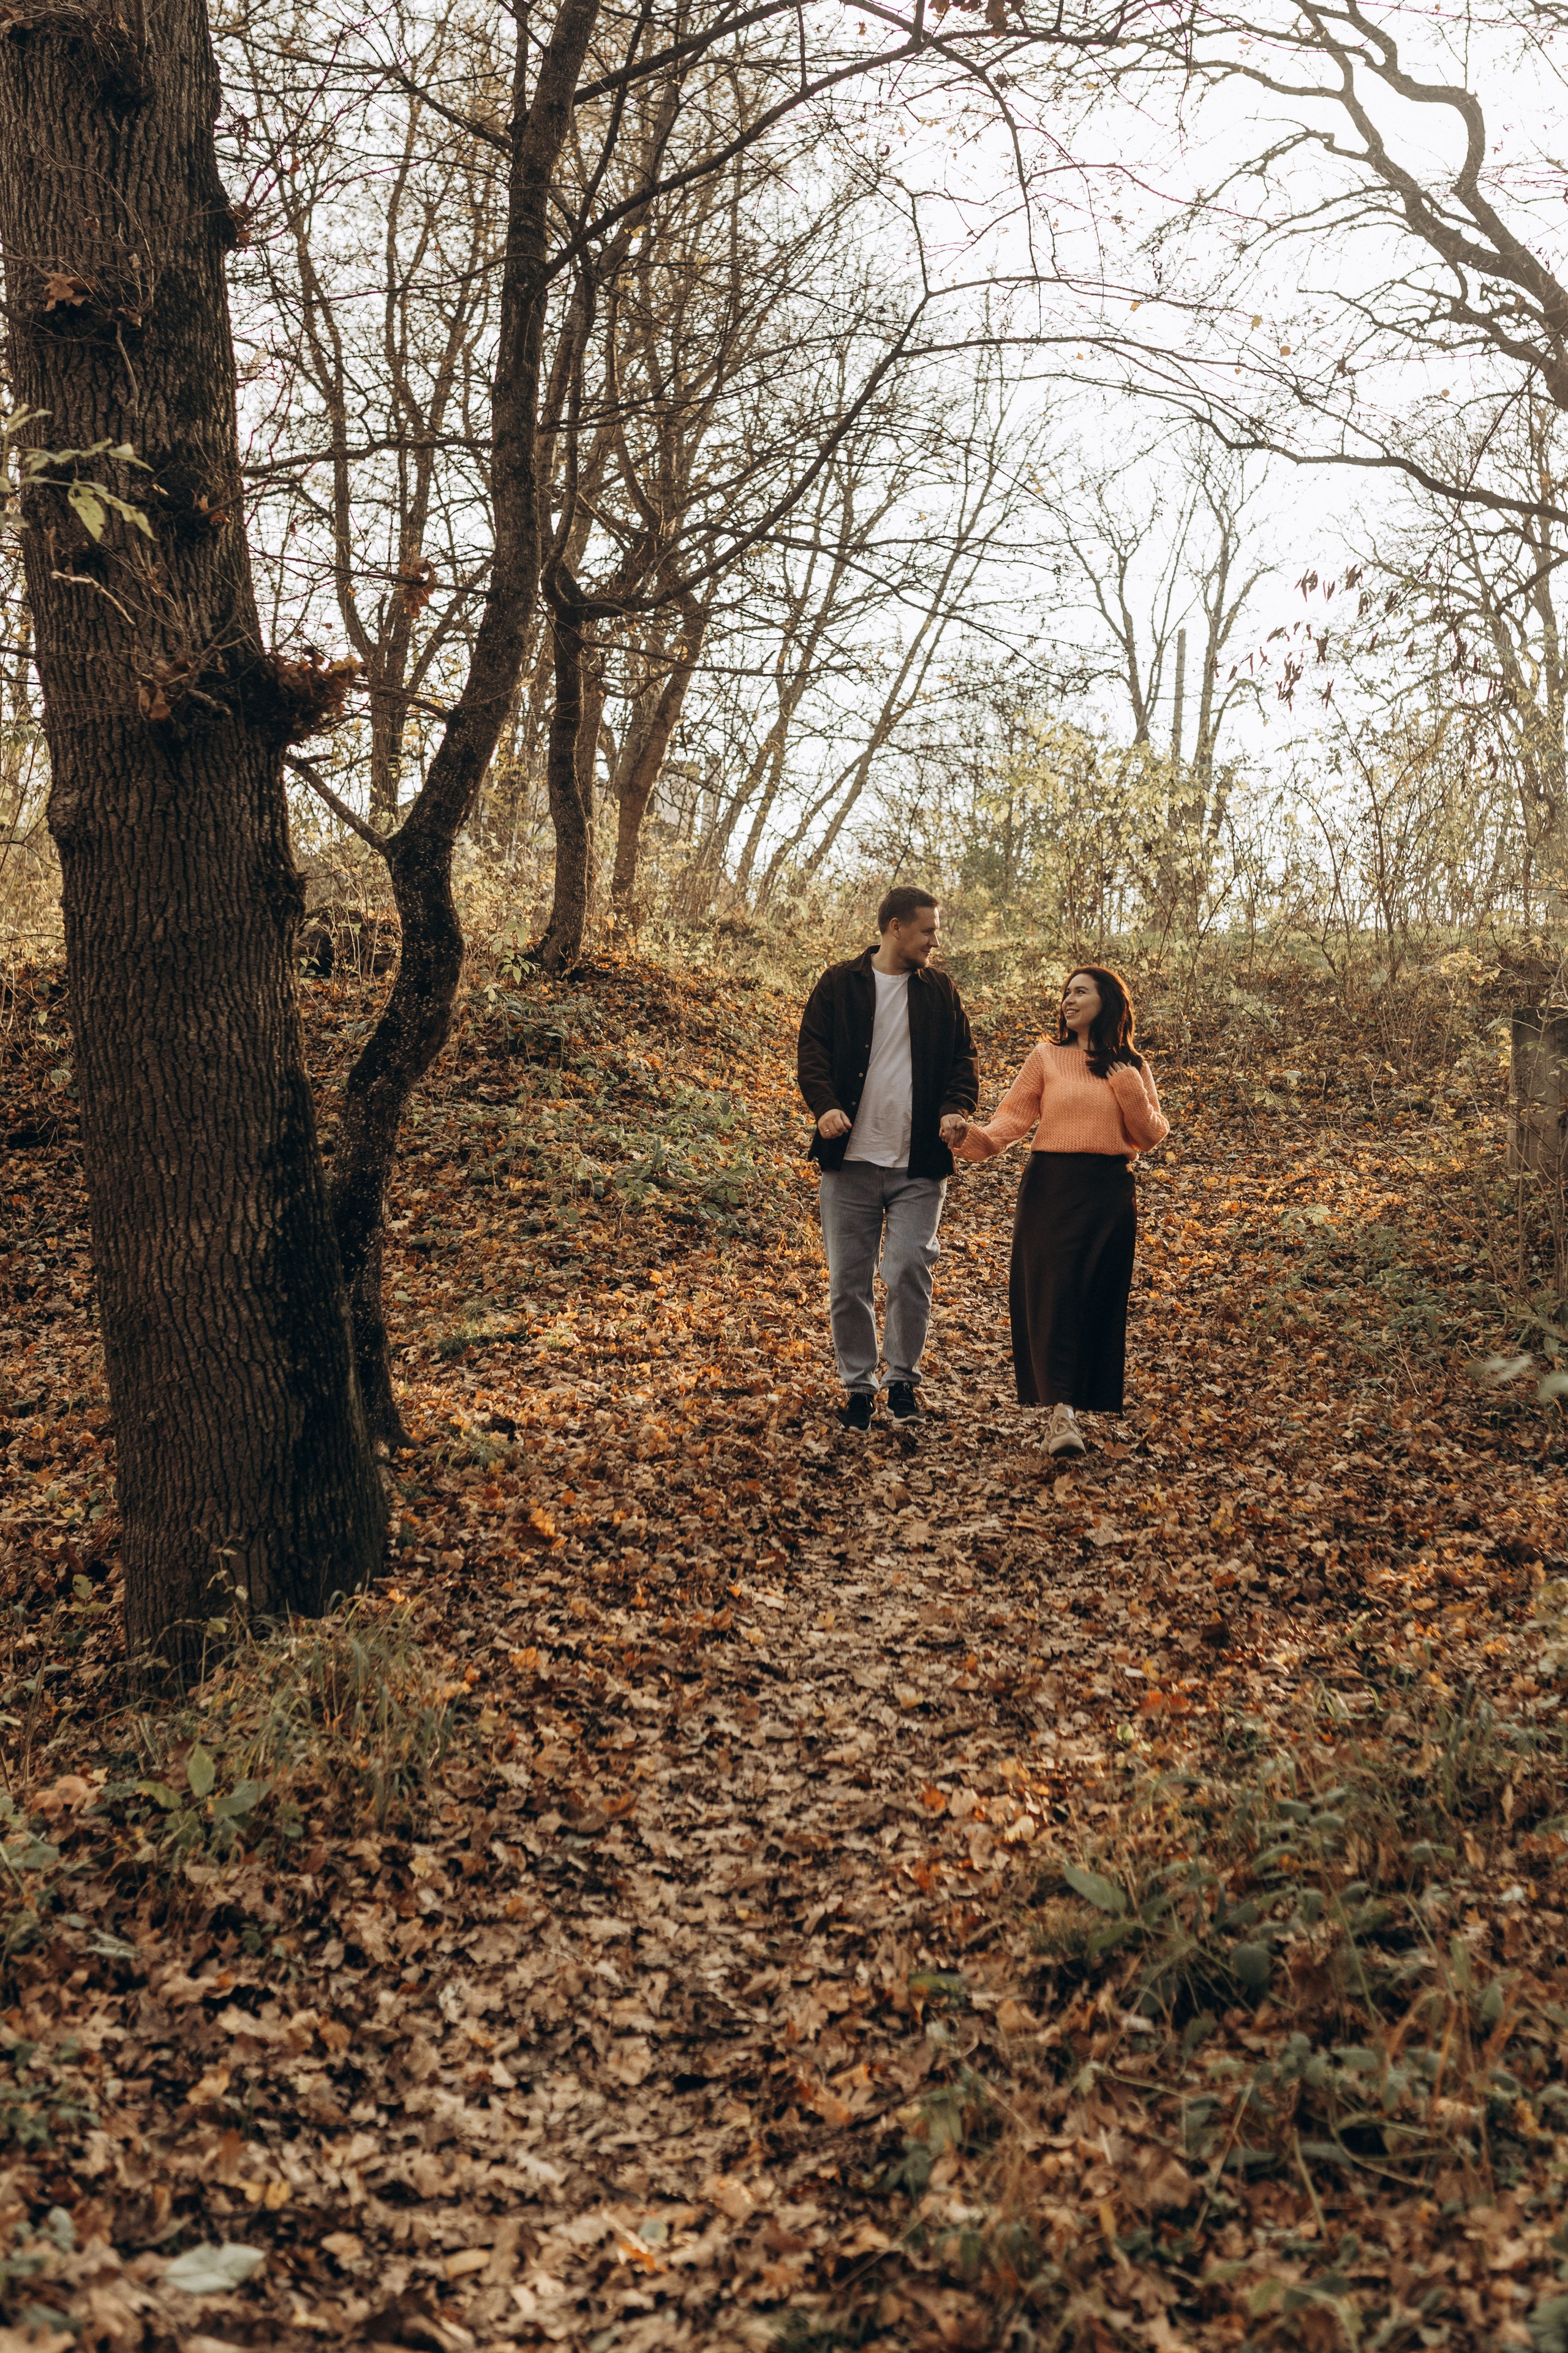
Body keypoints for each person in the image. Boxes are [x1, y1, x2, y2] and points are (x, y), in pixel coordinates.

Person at [944, 965, 1168, 1457]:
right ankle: (1060, 1413)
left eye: (1080, 991)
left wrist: (1127, 1085)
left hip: (1109, 1193)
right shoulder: (1045, 1056)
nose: (1068, 999)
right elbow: (1010, 1122)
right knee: (1053, 1296)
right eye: (1066, 991)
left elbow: (1150, 1136)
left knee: (1093, 1298)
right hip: (1051, 1188)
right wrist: (970, 1138)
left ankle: (1075, 1403)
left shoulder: (1131, 1064)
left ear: (1107, 1000)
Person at [797, 888, 978, 1430]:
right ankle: (858, 1387)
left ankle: (902, 1381)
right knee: (848, 1281)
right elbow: (813, 1053)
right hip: (849, 1162)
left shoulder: (941, 991)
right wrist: (825, 1106)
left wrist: (955, 1109)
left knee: (908, 1269)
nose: (934, 940)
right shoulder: (838, 984)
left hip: (917, 1164)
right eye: (927, 931)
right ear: (896, 927)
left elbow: (962, 1062)